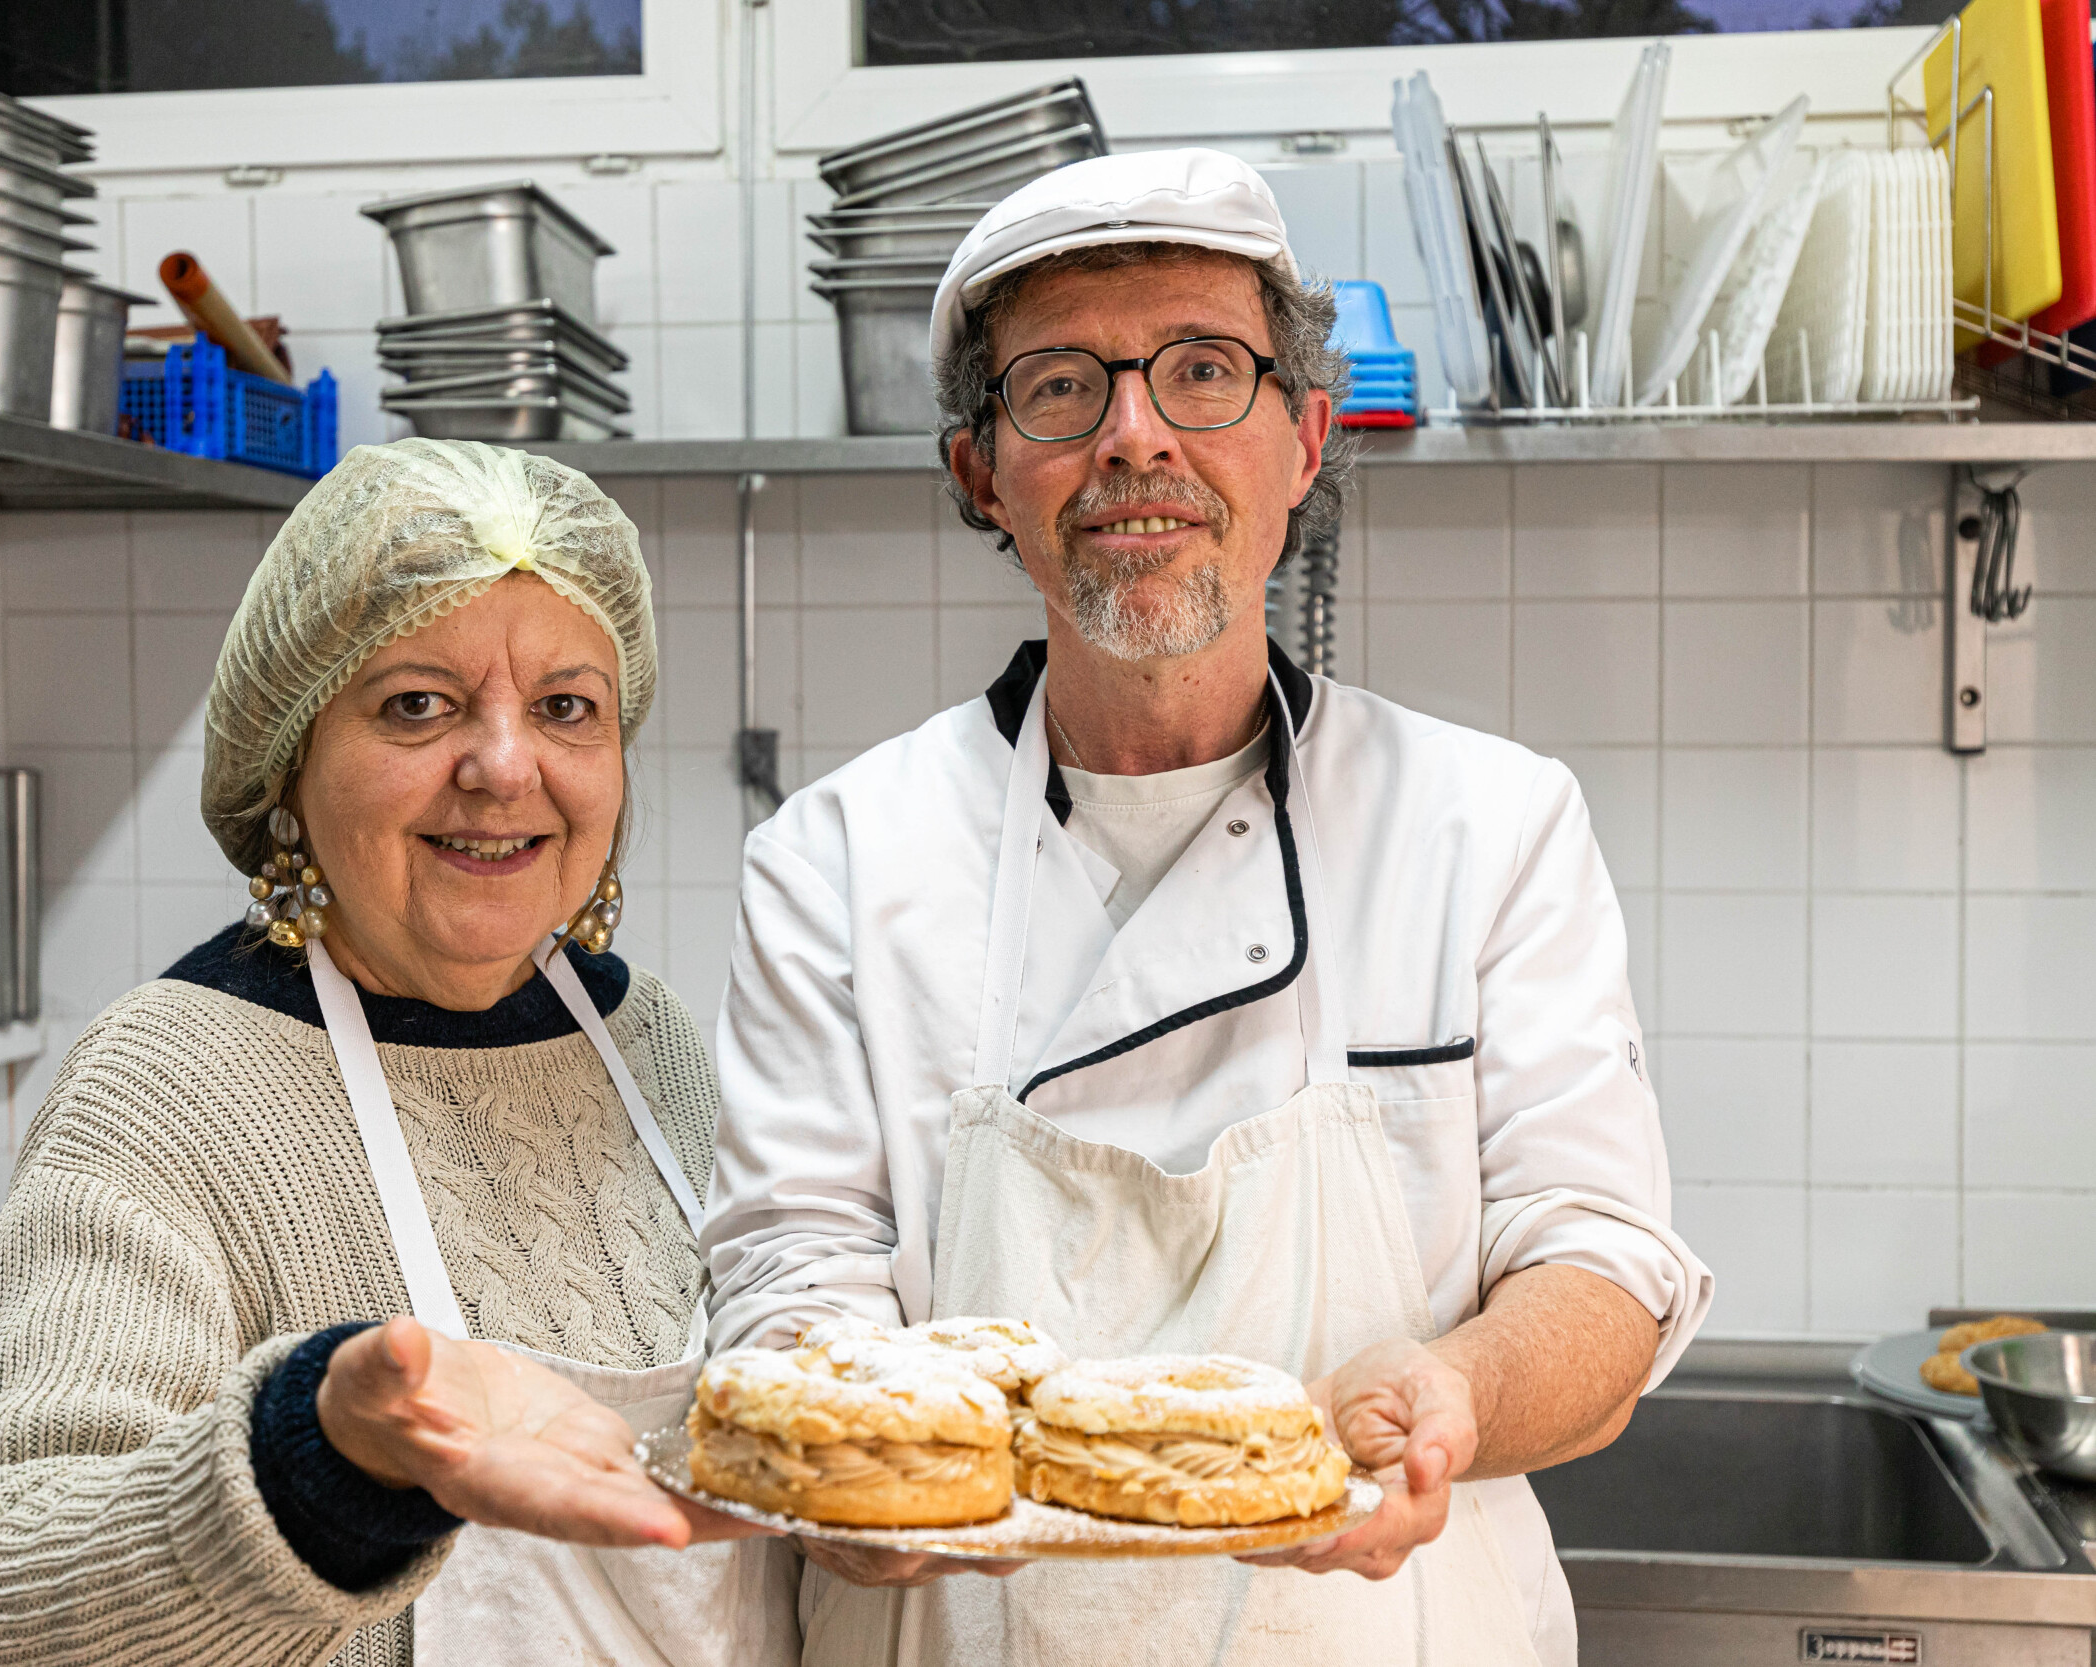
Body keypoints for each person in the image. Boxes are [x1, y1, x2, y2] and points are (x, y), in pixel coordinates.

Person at [701, 149, 1713, 1665]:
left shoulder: (1488, 824)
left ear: (1305, 438)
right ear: (981, 471)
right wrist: (857, 1462)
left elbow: (1603, 1264)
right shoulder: (834, 861)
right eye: (1059, 387)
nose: (1134, 438)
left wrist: (1460, 1391)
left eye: (1200, 372)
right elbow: (792, 1274)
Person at [0, 440, 794, 1667]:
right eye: (418, 701)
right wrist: (320, 1466)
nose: (504, 765)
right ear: (290, 759)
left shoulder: (651, 1041)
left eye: (566, 706)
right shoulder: (167, 1087)